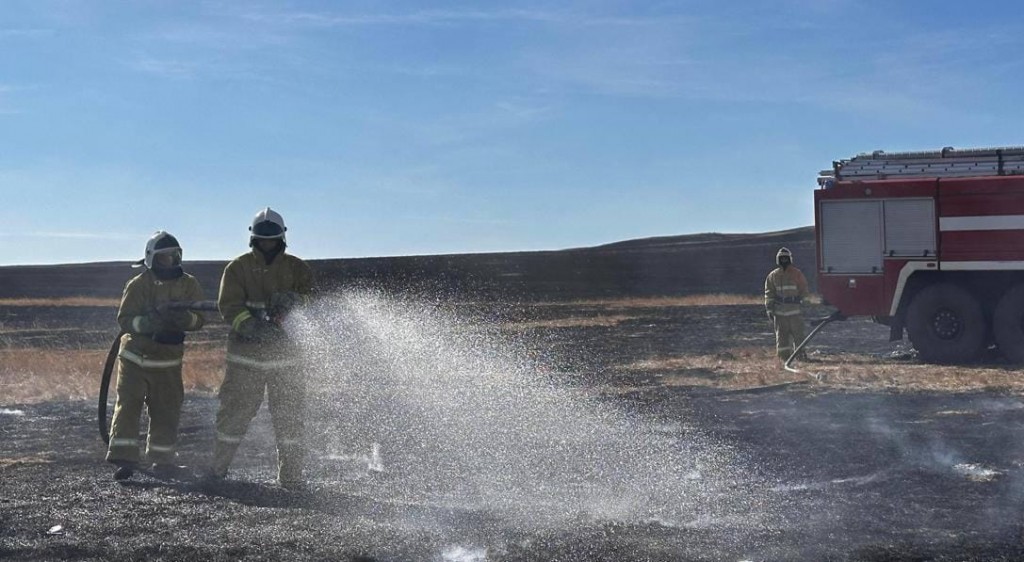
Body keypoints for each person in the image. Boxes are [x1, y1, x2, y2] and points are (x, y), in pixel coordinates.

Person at [208, 207, 313, 489]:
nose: (267, 243)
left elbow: (312, 302)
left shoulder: (297, 268)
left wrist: (294, 300)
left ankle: (291, 477)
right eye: (262, 238)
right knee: (235, 413)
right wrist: (251, 326)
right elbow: (229, 306)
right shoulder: (238, 268)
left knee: (290, 419)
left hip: (287, 359)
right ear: (254, 238)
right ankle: (217, 471)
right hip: (247, 359)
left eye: (272, 238)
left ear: (281, 238)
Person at [106, 231, 206, 480]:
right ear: (152, 259)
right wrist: (151, 323)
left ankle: (163, 461)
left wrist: (184, 319)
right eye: (164, 258)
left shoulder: (188, 284)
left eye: (174, 256)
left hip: (168, 362)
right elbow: (125, 320)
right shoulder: (139, 284)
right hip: (135, 360)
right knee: (129, 407)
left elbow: (200, 318)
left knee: (167, 410)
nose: (170, 261)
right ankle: (125, 459)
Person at [764, 247, 809, 362]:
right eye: (781, 258)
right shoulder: (773, 276)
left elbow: (804, 289)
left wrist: (806, 302)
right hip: (780, 313)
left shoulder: (797, 273)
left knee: (799, 335)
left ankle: (801, 356)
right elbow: (769, 293)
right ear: (778, 259)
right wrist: (769, 308)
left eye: (786, 258)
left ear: (790, 259)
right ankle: (783, 358)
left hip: (795, 311)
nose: (784, 260)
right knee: (782, 337)